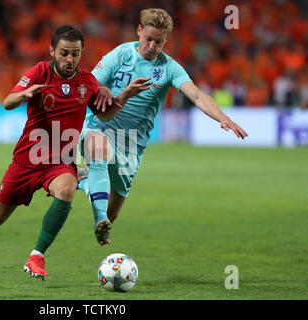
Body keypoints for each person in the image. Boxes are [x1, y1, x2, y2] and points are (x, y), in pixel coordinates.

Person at [0, 25, 151, 282]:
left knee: (68, 188)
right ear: (52, 51)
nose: (69, 59)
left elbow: (104, 113)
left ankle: (37, 255)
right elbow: (7, 102)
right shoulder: (39, 72)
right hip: (28, 159)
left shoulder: (88, 82)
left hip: (59, 162)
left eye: (75, 54)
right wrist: (24, 94)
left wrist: (124, 95)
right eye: (64, 53)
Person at [78, 8, 248, 246]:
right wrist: (101, 88)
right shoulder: (120, 55)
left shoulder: (169, 68)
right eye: (148, 39)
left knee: (113, 213)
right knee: (99, 152)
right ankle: (99, 217)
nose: (152, 46)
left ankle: (86, 186)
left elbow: (197, 96)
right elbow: (89, 83)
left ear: (166, 40)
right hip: (101, 127)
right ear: (139, 31)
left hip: (132, 145)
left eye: (159, 42)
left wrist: (222, 117)